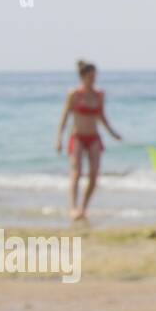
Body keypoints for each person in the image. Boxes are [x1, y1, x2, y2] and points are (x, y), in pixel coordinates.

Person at [54, 60, 121, 221]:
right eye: (90, 76)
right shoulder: (74, 94)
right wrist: (59, 139)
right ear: (83, 76)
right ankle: (73, 208)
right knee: (76, 173)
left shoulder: (99, 94)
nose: (93, 79)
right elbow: (64, 116)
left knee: (94, 175)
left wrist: (113, 133)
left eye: (95, 76)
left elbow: (101, 117)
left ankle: (83, 208)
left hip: (94, 138)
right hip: (77, 137)